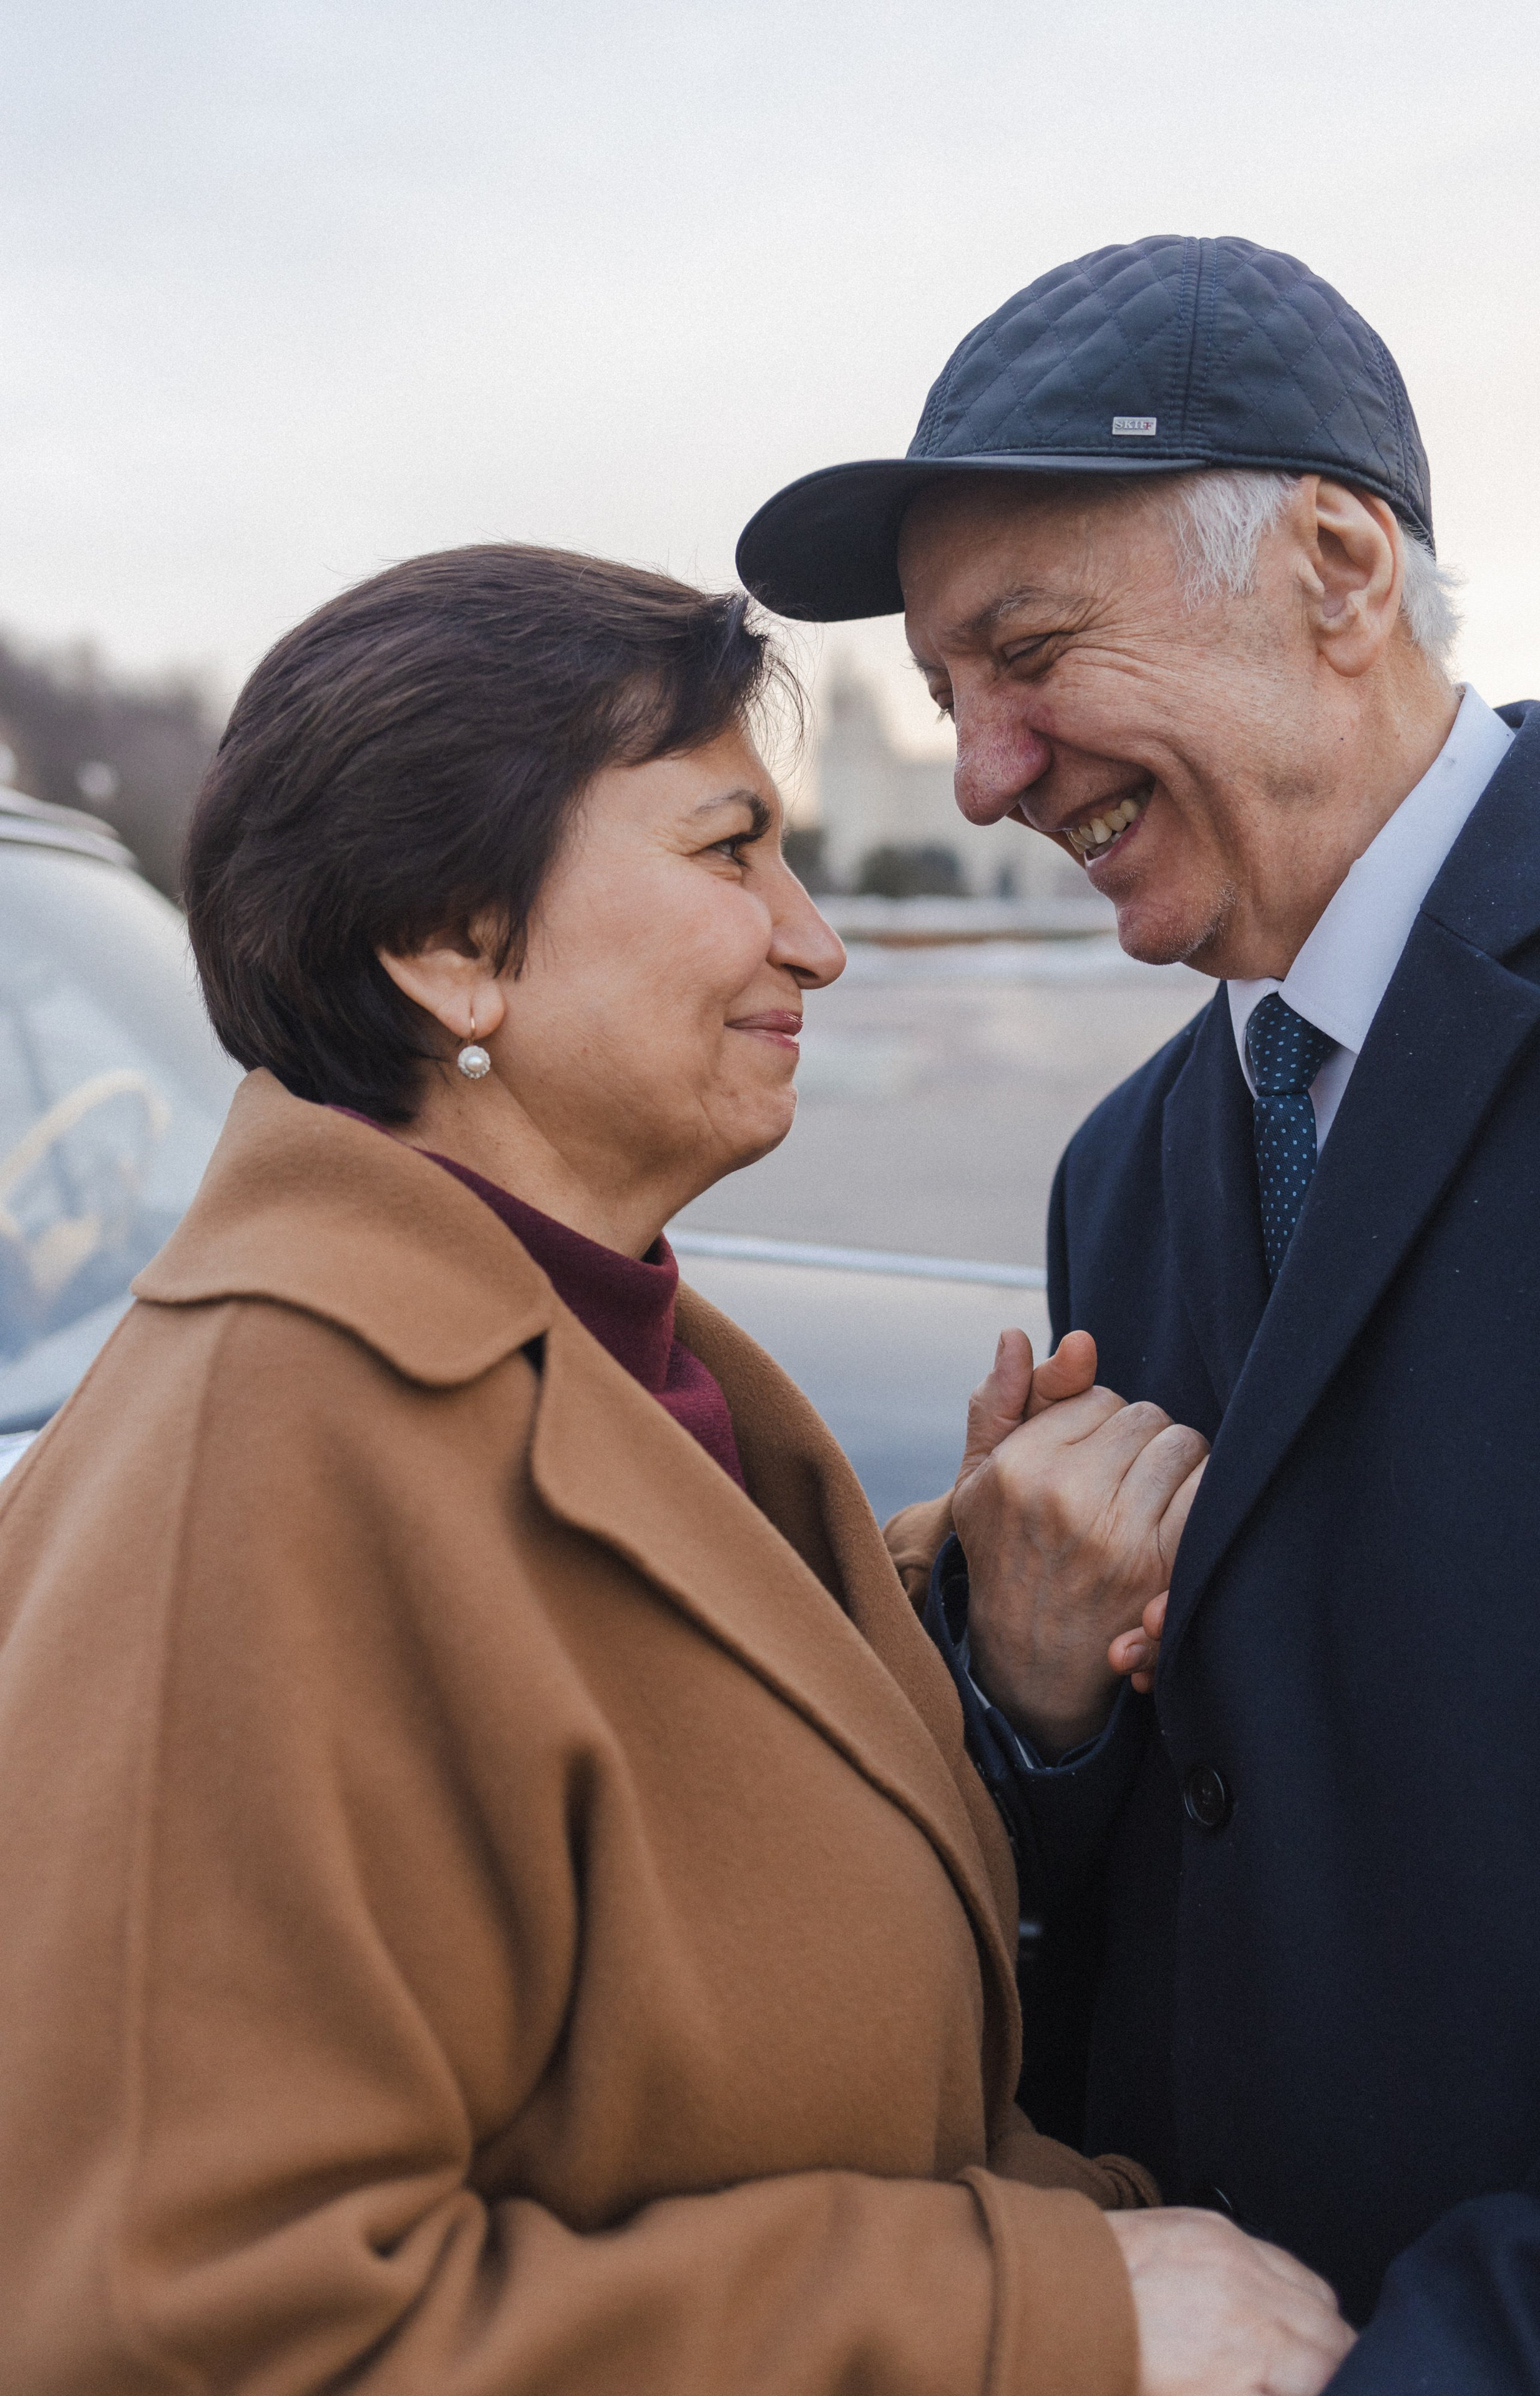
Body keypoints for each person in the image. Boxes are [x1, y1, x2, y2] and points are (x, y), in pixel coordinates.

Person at [0, 544, 1354, 2396]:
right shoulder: (250, 1474)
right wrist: (1032, 2316)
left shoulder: (631, 1359)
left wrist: (996, 1658)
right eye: (731, 852)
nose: (818, 934)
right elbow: (195, 2330)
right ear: (452, 943)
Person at [736, 233, 1540, 2390]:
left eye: (1028, 655)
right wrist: (1039, 1710)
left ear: (1336, 565)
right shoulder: (1119, 1168)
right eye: (945, 698)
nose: (984, 777)